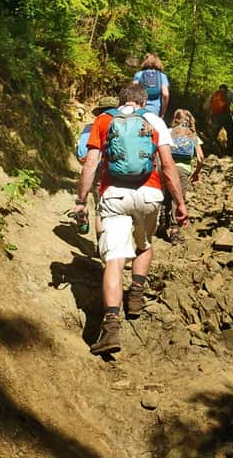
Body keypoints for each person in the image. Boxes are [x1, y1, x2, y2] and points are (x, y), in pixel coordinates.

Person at [74, 82, 189, 355]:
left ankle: (111, 325)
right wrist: (180, 203)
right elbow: (168, 165)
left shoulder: (104, 119)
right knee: (144, 245)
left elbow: (91, 164)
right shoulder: (155, 120)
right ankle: (135, 294)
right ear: (142, 101)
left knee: (114, 259)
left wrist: (81, 201)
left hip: (114, 194)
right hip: (149, 195)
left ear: (120, 100)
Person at [74, 96, 119, 236]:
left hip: (101, 172)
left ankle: (101, 247)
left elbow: (83, 156)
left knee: (101, 211)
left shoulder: (92, 126)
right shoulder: (131, 123)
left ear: (99, 111)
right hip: (128, 175)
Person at [163, 109, 204, 244]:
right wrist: (197, 172)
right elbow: (201, 158)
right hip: (183, 170)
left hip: (167, 169)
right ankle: (175, 231)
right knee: (178, 199)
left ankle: (161, 225)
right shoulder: (192, 135)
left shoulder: (168, 132)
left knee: (166, 197)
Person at [133, 53, 170, 121]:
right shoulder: (162, 76)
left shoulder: (139, 74)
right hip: (154, 111)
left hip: (138, 110)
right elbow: (165, 94)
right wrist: (162, 113)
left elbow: (132, 91)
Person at [208, 84, 233, 157]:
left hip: (215, 117)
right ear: (226, 89)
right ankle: (229, 154)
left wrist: (209, 116)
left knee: (213, 135)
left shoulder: (214, 94)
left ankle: (213, 152)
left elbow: (206, 106)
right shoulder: (229, 94)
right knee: (230, 134)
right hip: (226, 117)